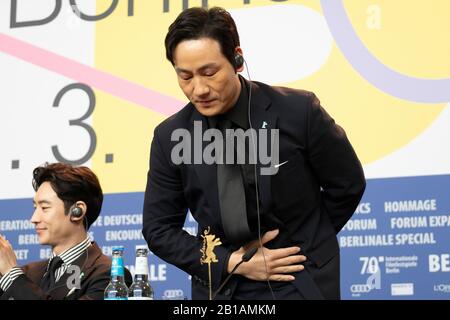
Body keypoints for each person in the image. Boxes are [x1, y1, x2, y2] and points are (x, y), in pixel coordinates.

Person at [142, 7, 366, 300]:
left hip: (297, 275)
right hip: (220, 286)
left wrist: (306, 241)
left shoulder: (299, 111)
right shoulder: (169, 137)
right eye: (185, 77)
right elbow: (158, 229)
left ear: (237, 59)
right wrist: (232, 263)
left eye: (209, 73)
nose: (199, 89)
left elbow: (347, 184)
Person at [0, 163, 131, 300]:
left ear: (77, 211)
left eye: (44, 208)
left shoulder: (110, 276)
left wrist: (12, 275)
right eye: (35, 208)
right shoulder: (27, 273)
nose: (34, 219)